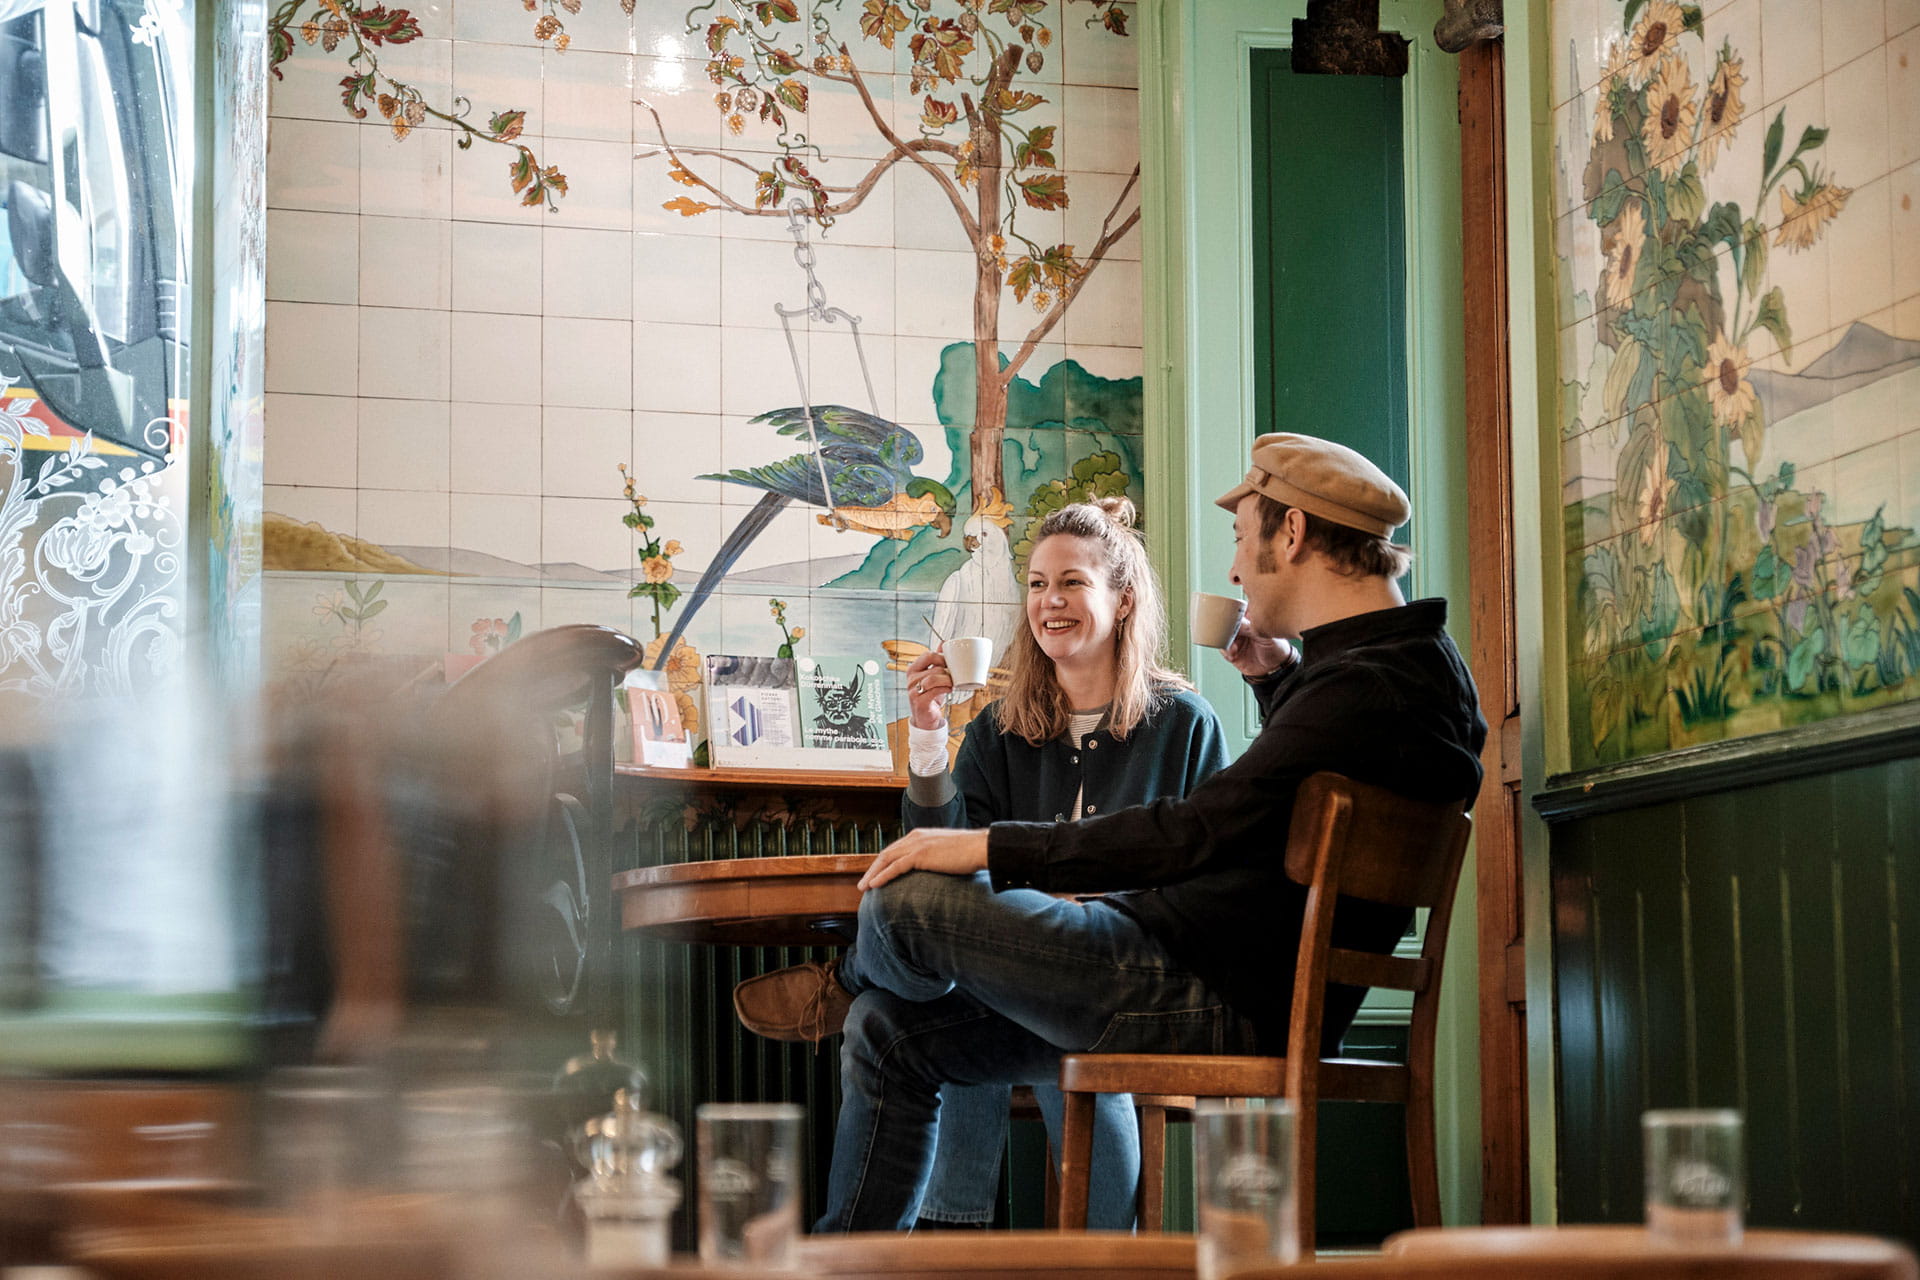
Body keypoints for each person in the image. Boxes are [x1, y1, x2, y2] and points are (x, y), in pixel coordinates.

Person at [733, 433, 1488, 1233]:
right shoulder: (1403, 674)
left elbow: (1197, 830)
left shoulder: (1359, 690)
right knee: (887, 1030)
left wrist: (987, 847)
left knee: (902, 909)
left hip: (1196, 990)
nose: (1235, 569)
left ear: (1292, 534)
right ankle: (851, 1260)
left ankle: (848, 979)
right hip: (1203, 976)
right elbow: (1289, 790)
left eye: (1242, 539)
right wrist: (1275, 678)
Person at [896, 498, 1229, 1230]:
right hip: (1021, 970)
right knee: (981, 988)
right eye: (1039, 583)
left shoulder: (1183, 724)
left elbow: (1214, 875)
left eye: (1072, 582)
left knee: (1009, 999)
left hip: (1136, 978)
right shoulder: (998, 728)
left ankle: (964, 1237)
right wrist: (928, 737)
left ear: (1123, 597)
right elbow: (935, 861)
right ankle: (1080, 1253)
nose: (1050, 601)